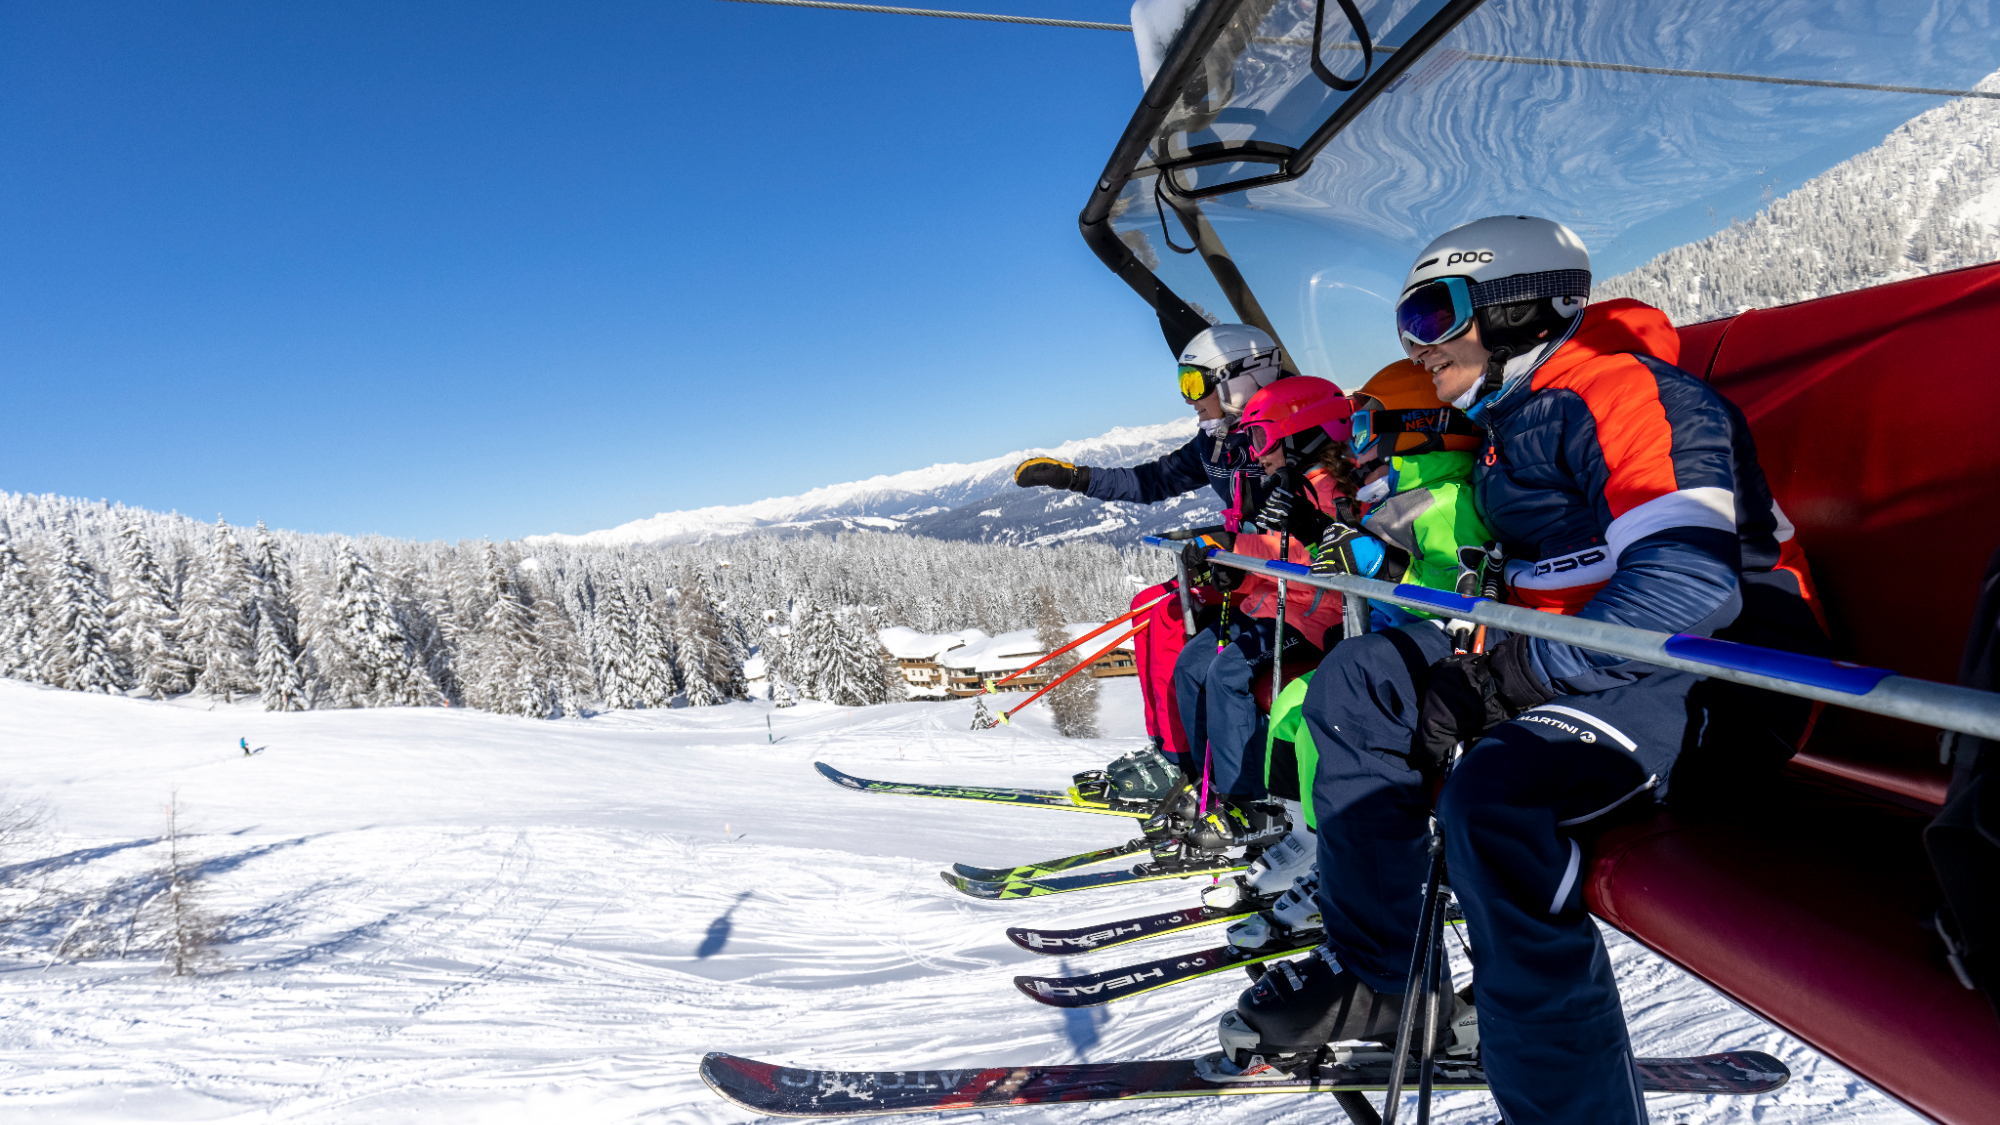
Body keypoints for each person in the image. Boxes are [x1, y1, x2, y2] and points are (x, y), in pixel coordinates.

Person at [1213, 216, 1826, 1125]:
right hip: (1587, 654)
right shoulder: (1509, 423)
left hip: (1722, 675)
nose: (1414, 347)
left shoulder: (1628, 395)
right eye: (1404, 321)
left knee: (1495, 801)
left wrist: (1523, 674)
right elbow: (1505, 582)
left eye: (1430, 315)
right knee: (1358, 685)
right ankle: (1388, 981)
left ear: (1518, 308)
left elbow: (1690, 583)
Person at [1223, 358, 1493, 947]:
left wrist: (1380, 566)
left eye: (1368, 428)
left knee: (1335, 705)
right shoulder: (1392, 497)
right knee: (1296, 702)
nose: (1357, 446)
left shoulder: (1444, 497)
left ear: (1420, 427)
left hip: (1439, 649)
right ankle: (1315, 840)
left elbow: (1461, 593)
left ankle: (1345, 863)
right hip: (1386, 636)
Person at [1014, 324, 1286, 785]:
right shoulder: (1214, 441)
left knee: (1188, 640)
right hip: (1245, 569)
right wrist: (1078, 479)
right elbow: (1153, 480)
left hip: (1278, 574)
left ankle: (1220, 775)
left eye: (1195, 383)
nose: (1188, 398)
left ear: (1241, 377)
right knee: (1156, 609)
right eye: (1183, 383)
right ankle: (1174, 753)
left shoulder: (1290, 433)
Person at [1168, 376, 1352, 859]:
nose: (1256, 454)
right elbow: (1273, 564)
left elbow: (1319, 564)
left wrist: (1235, 551)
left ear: (1301, 434)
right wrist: (1237, 577)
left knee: (1228, 672)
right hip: (1272, 608)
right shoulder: (1284, 490)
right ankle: (1205, 782)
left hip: (1315, 619)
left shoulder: (1331, 491)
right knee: (1192, 663)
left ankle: (1250, 803)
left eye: (1262, 439)